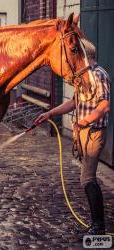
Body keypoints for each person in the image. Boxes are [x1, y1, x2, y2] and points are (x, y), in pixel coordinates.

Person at [35, 40, 110, 235]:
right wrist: (51, 113)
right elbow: (74, 102)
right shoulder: (83, 77)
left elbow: (104, 106)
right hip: (83, 134)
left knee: (87, 178)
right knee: (86, 178)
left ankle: (99, 227)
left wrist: (85, 121)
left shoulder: (99, 75)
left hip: (94, 133)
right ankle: (97, 223)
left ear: (85, 55)